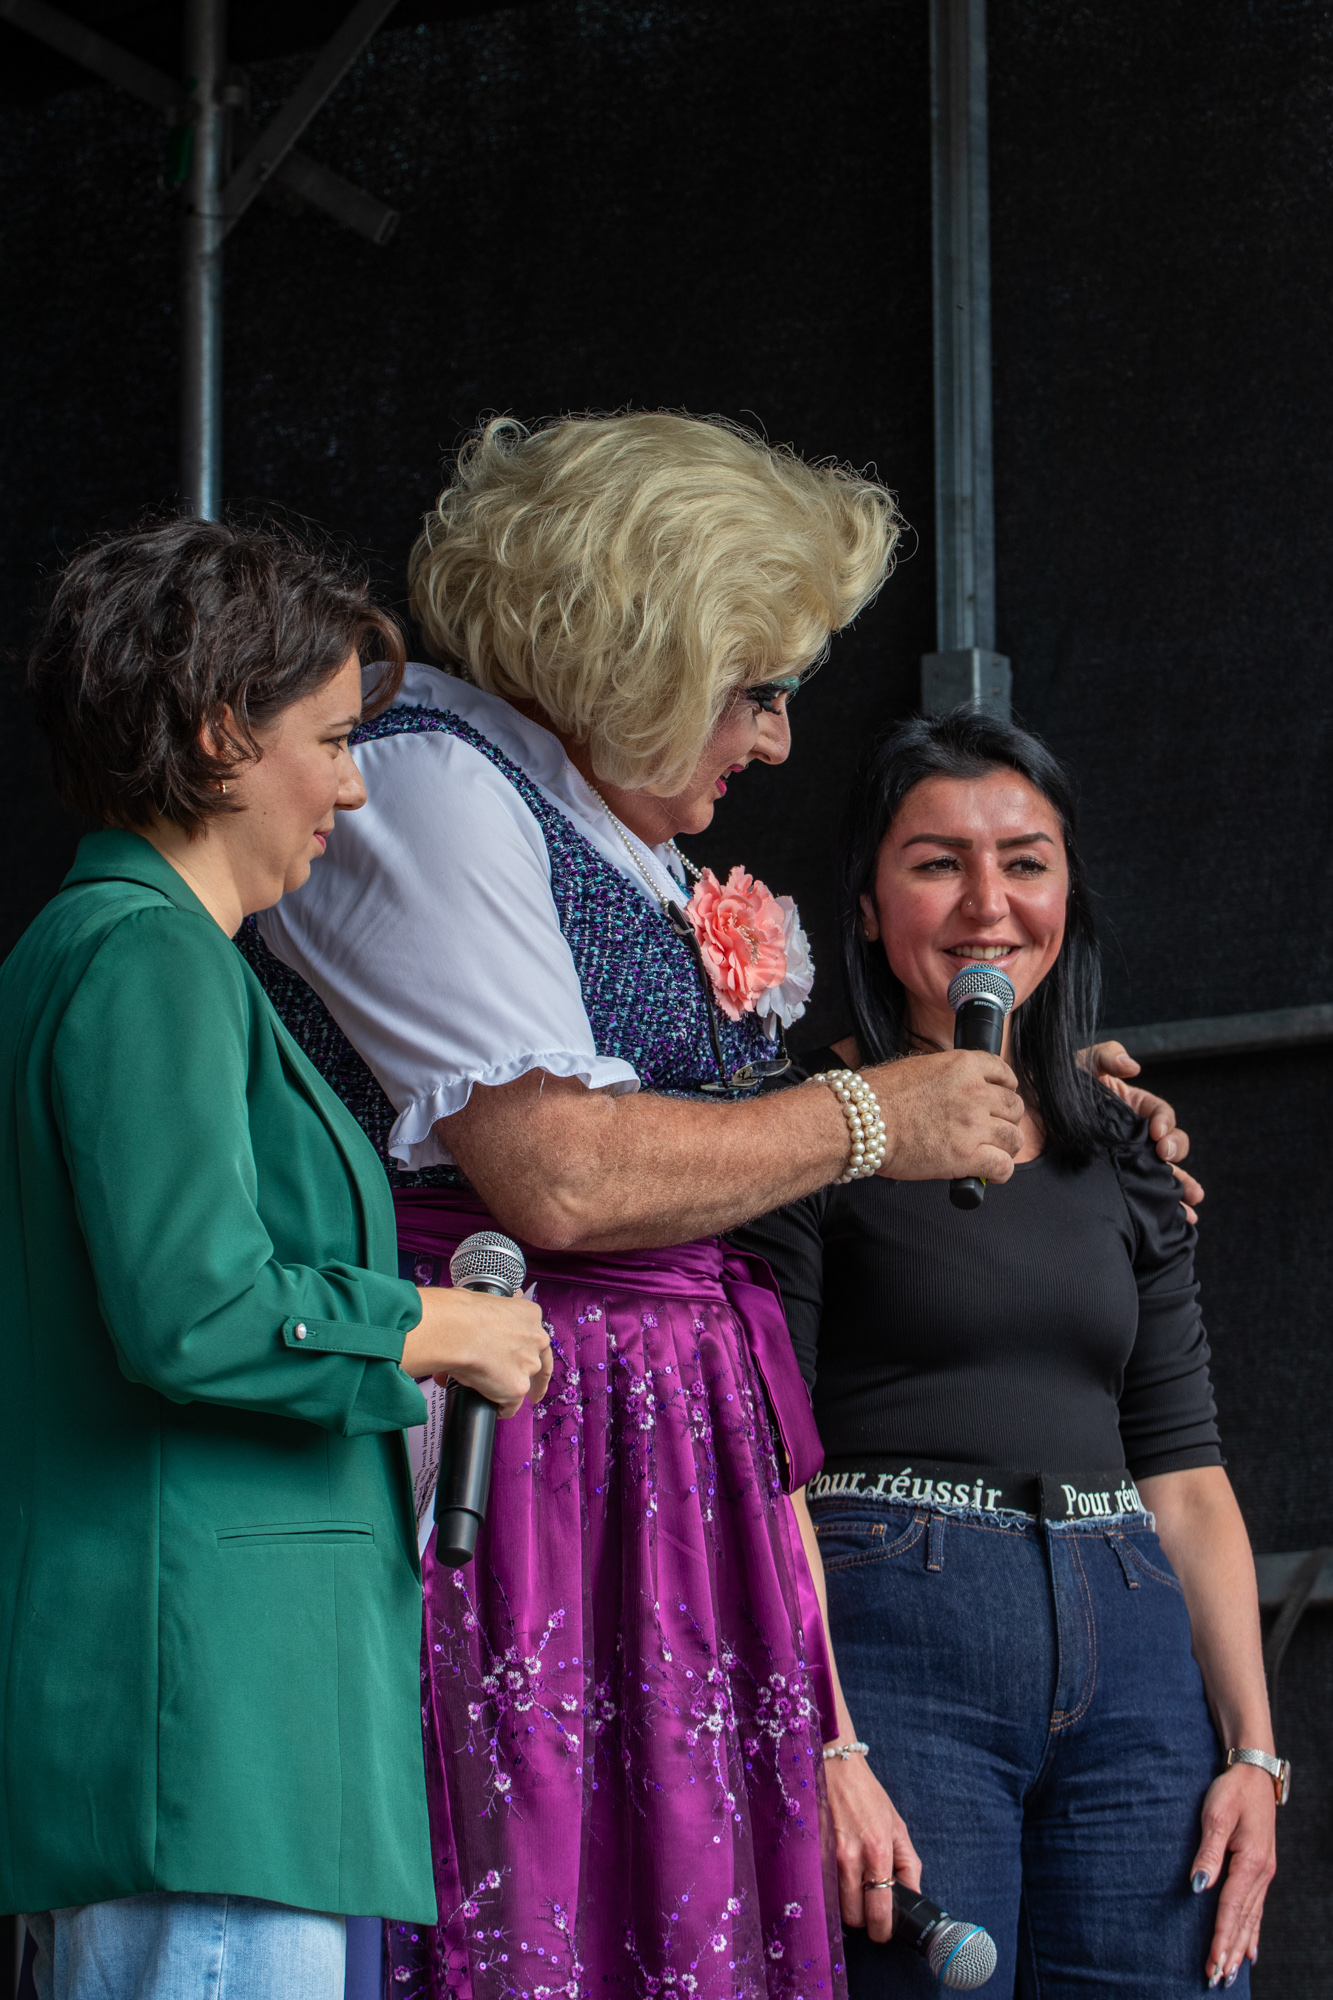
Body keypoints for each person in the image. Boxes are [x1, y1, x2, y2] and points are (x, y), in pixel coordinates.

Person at [242, 412, 1188, 1993]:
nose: (774, 741)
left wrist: (1059, 1094)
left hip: (647, 1452)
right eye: (755, 689)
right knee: (533, 1886)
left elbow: (704, 1131)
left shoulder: (579, 816)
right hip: (518, 1455)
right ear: (638, 657)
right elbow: (557, 1171)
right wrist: (865, 1117)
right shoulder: (425, 787)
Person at [0, 518, 548, 2000]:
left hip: (215, 1730)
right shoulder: (143, 953)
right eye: (335, 740)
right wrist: (434, 1326)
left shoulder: (122, 950)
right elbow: (194, 1311)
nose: (355, 788)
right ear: (221, 734)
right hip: (206, 1730)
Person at [733, 710, 1278, 1999]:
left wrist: (1256, 1756)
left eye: (1025, 862)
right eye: (938, 863)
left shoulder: (1122, 1145)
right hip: (897, 1635)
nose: (989, 904)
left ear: (1067, 895)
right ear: (867, 904)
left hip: (1133, 1640)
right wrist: (826, 1740)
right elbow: (761, 1464)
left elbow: (1186, 1473)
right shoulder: (804, 1131)